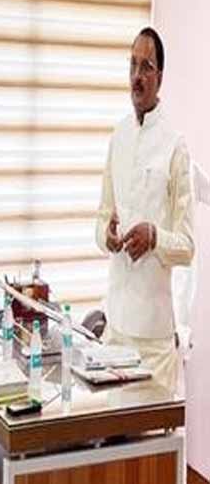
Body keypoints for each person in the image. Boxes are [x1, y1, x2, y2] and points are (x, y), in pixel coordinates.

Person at [95, 26, 193, 394]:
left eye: (146, 67)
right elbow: (101, 219)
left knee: (151, 434)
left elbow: (187, 246)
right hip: (115, 331)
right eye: (133, 65)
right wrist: (106, 234)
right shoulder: (118, 137)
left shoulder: (175, 147)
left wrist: (154, 237)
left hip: (154, 345)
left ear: (160, 77)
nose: (137, 76)